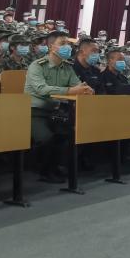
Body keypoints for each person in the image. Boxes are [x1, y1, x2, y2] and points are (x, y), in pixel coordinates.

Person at [24, 31, 94, 182]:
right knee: (47, 138)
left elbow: (78, 85)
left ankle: (55, 167)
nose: (67, 47)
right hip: (33, 112)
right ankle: (44, 172)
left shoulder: (67, 67)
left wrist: (86, 89)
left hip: (54, 111)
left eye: (68, 44)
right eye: (62, 44)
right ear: (51, 46)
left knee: (68, 135)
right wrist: (70, 91)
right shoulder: (37, 66)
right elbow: (42, 89)